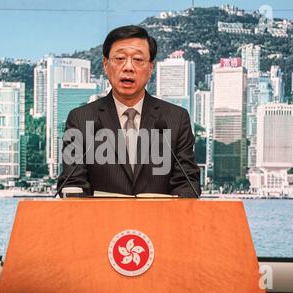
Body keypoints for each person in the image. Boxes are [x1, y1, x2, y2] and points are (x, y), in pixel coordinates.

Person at [57, 25, 201, 198]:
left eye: (138, 60)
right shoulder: (81, 119)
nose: (128, 67)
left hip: (159, 223)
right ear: (105, 64)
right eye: (119, 58)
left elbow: (187, 183)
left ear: (150, 68)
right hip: (100, 223)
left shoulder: (175, 119)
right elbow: (73, 184)